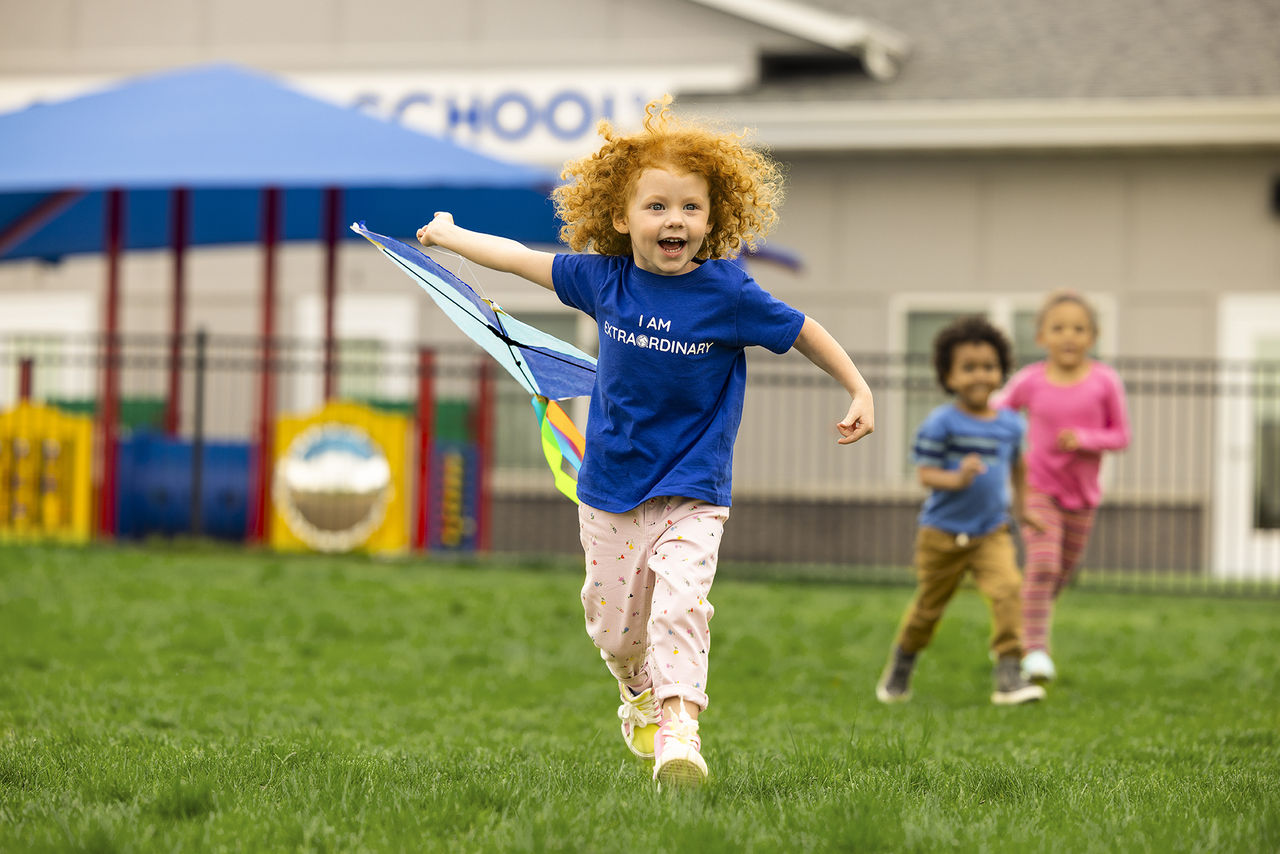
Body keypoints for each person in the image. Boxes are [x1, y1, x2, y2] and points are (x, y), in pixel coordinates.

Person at [416, 96, 875, 787]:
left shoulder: (729, 293)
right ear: (621, 217)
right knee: (613, 627)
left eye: (690, 208)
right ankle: (636, 691)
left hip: (692, 489)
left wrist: (859, 387)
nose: (674, 221)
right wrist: (450, 235)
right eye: (656, 206)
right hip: (610, 487)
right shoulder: (605, 280)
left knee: (681, 604)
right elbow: (517, 259)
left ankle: (680, 733)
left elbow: (804, 328)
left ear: (713, 220)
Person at [876, 315, 1045, 706]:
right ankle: (902, 664)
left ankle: (1009, 675)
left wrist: (1023, 508)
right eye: (968, 368)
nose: (979, 376)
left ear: (1001, 371)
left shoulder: (1010, 424)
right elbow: (926, 474)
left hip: (991, 531)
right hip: (942, 534)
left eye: (988, 367)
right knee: (928, 609)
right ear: (948, 376)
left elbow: (1018, 466)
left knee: (1007, 591)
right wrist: (959, 476)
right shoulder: (942, 423)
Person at [994, 290, 1130, 684]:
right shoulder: (1029, 381)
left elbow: (1121, 435)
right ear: (1041, 337)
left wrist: (1085, 439)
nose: (1068, 335)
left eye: (1079, 328)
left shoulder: (1105, 381)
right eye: (1058, 328)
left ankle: (1015, 633)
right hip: (1038, 488)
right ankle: (1036, 652)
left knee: (1060, 574)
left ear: (1093, 336)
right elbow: (997, 413)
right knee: (1044, 565)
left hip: (1082, 496)